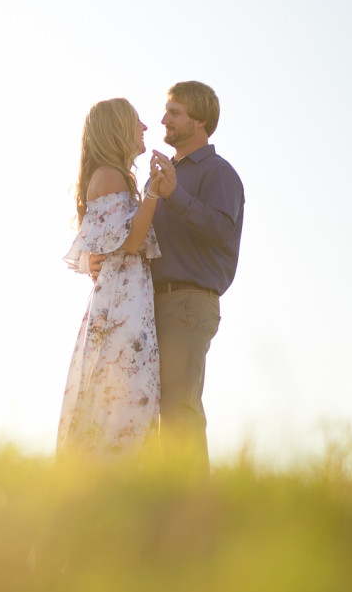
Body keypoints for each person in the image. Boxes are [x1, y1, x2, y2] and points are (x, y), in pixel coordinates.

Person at [94, 81, 244, 474]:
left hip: (188, 303)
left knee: (179, 408)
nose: (163, 120)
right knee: (145, 409)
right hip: (148, 304)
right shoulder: (161, 175)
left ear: (200, 121)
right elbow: (136, 235)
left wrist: (175, 196)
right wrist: (101, 258)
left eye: (174, 113)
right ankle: (161, 503)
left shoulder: (219, 174)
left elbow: (221, 231)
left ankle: (191, 510)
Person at [57, 98, 167, 459]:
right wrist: (154, 191)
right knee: (123, 400)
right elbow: (132, 241)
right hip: (124, 307)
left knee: (116, 399)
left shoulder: (108, 177)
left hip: (122, 301)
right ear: (119, 128)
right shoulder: (111, 176)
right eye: (138, 121)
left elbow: (103, 244)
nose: (145, 128)